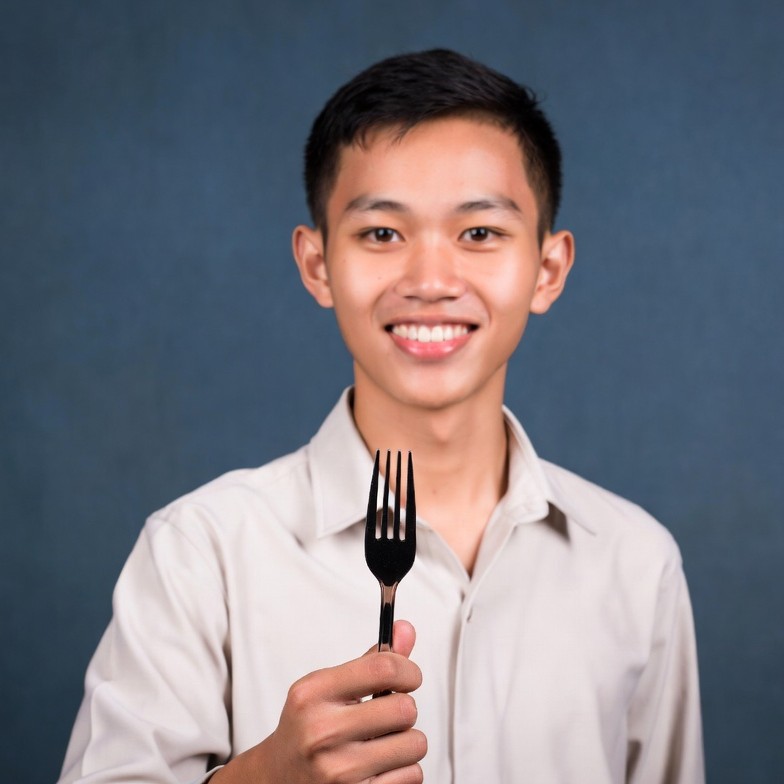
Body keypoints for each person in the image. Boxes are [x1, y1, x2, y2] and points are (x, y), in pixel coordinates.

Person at [58, 49, 704, 784]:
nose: (431, 282)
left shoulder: (635, 562)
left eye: (481, 234)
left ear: (547, 270)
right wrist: (262, 778)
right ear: (318, 265)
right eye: (382, 234)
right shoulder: (199, 552)